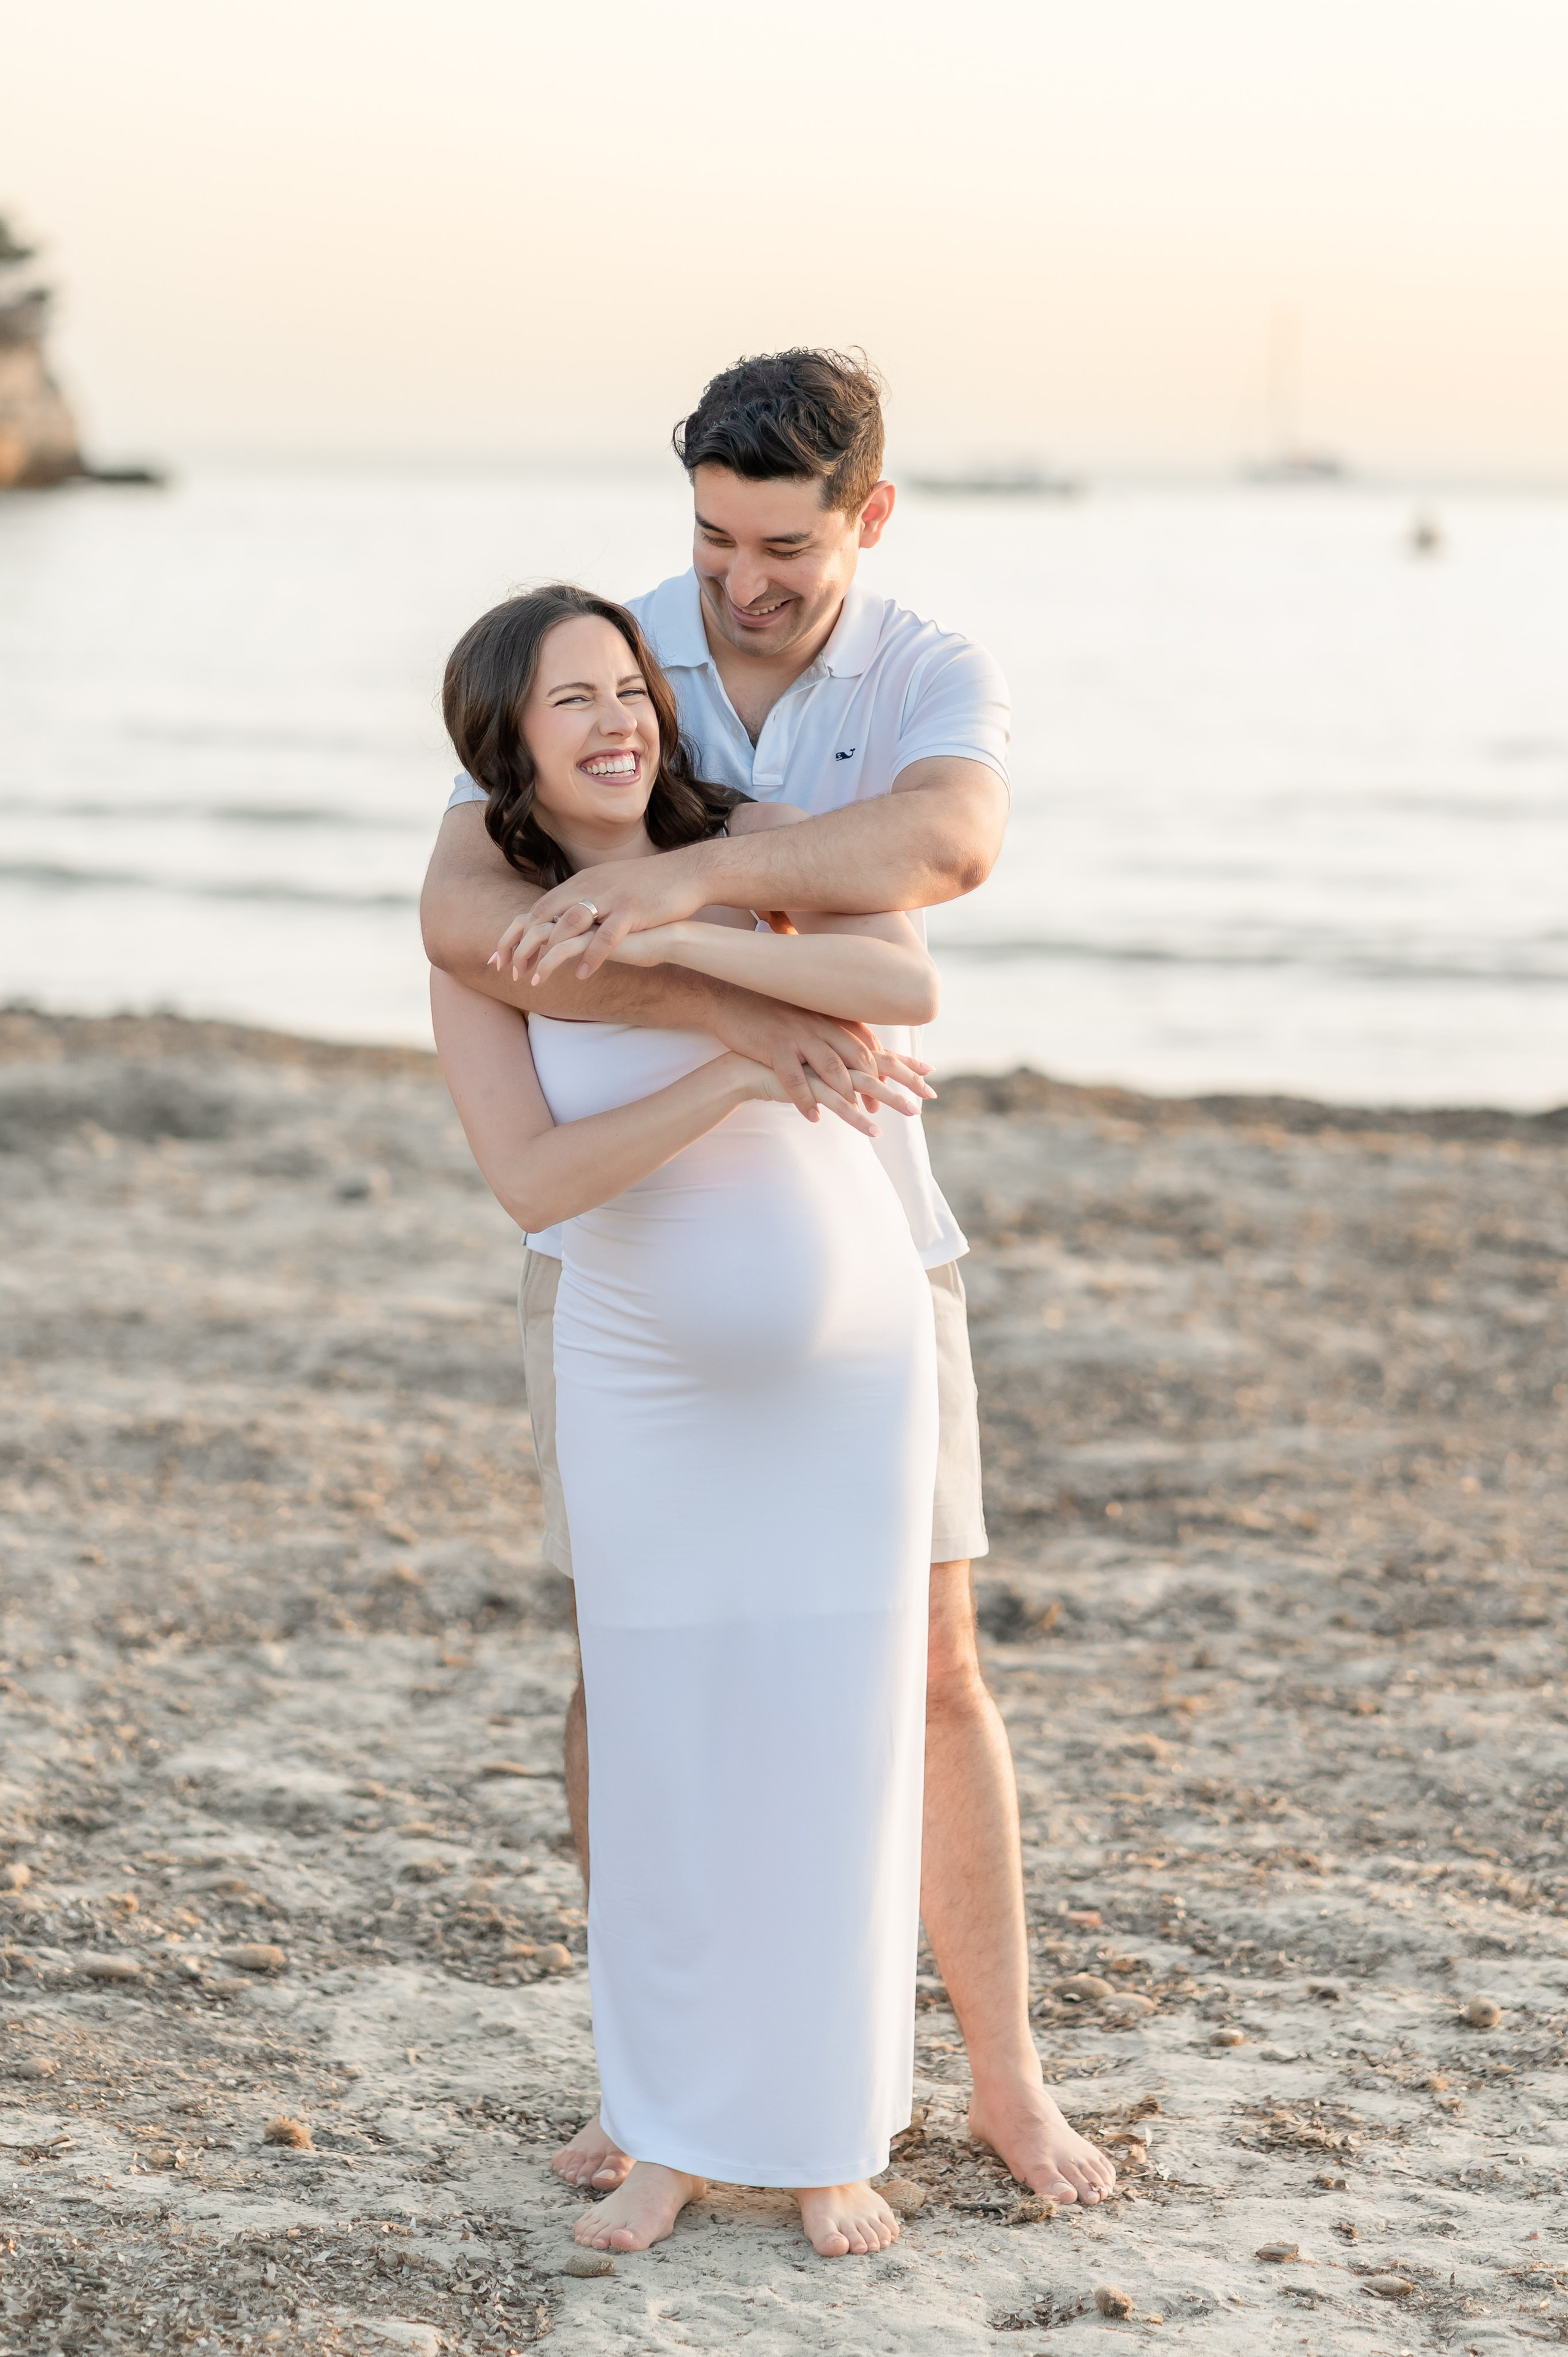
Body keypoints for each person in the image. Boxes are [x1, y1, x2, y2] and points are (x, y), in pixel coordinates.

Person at [421, 349, 1115, 2210]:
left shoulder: (925, 673)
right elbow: (469, 909)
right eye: (713, 539)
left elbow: (944, 852)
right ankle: (663, 2081)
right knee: (633, 1671)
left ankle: (1000, 2077)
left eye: (783, 547)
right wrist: (726, 1007)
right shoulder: (617, 651)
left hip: (878, 1234)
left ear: (867, 517)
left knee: (929, 1668)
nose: (737, 582)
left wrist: (684, 888)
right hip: (630, 1260)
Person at [433, 583, 940, 2254]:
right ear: (507, 747)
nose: (617, 721)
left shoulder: (753, 842)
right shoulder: (496, 938)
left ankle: (825, 2136)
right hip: (638, 1373)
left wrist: (678, 930)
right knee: (667, 1748)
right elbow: (533, 1182)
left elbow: (900, 978)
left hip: (848, 1370)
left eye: (630, 688)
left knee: (835, 1740)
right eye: (571, 700)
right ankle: (667, 2132)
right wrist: (736, 1063)